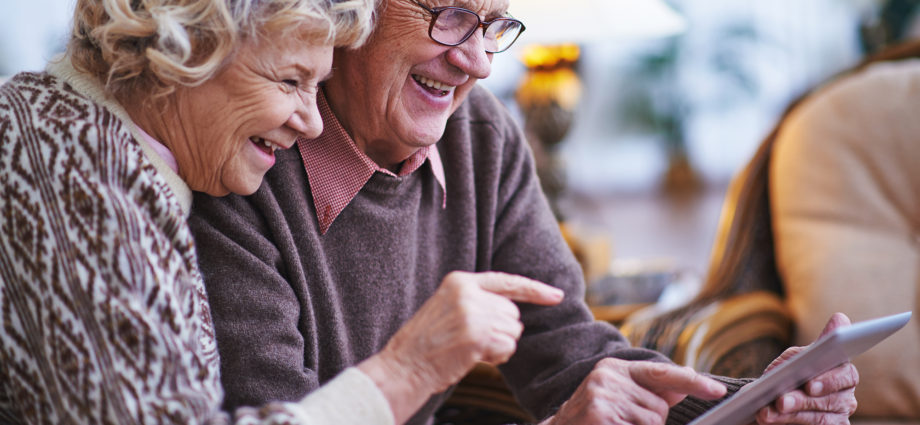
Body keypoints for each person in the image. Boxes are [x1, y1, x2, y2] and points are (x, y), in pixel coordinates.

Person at [189, 0, 860, 424]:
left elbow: (568, 347)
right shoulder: (242, 160)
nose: (477, 62)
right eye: (451, 15)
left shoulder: (479, 133)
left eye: (493, 26)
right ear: (355, 13)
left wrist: (754, 402)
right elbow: (279, 415)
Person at [0, 0, 565, 423]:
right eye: (290, 80)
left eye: (317, 84)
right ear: (188, 47)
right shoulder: (74, 165)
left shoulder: (117, 158)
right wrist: (407, 371)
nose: (312, 123)